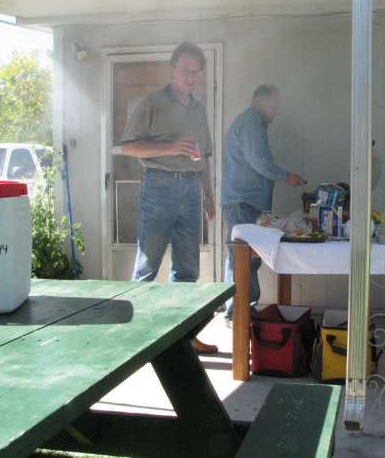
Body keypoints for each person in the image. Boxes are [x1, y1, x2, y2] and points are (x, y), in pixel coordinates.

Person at [119, 42, 218, 354]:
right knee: (147, 265)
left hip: (192, 190)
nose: (190, 77)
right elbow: (128, 147)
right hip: (159, 187)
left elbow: (204, 155)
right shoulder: (152, 103)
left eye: (195, 72)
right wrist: (170, 147)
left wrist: (208, 193)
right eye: (185, 70)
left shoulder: (199, 109)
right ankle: (132, 340)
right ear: (172, 70)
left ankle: (184, 338)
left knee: (188, 270)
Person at [221, 84, 306, 326]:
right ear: (258, 99)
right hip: (243, 203)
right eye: (274, 104)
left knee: (243, 258)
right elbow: (259, 161)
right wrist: (287, 176)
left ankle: (240, 313)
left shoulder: (251, 122)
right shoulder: (252, 121)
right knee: (242, 259)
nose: (276, 110)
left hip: (244, 202)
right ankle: (238, 316)